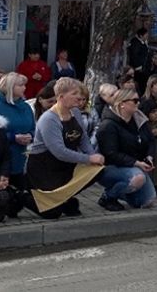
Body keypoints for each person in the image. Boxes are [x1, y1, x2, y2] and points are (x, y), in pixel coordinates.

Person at [26, 78, 105, 218]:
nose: (79, 97)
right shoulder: (49, 119)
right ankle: (21, 197)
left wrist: (93, 156)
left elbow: (83, 139)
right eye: (74, 93)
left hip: (65, 164)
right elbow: (59, 152)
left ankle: (64, 199)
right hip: (44, 168)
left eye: (79, 93)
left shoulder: (75, 112)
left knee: (97, 171)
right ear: (61, 97)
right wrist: (88, 158)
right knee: (52, 214)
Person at [96, 88, 157, 211]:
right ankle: (108, 196)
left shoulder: (139, 120)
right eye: (134, 101)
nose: (138, 103)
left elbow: (151, 141)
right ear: (122, 104)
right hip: (110, 168)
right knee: (137, 179)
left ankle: (123, 192)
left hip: (134, 166)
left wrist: (149, 157)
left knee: (146, 201)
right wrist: (136, 163)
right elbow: (110, 154)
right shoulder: (108, 125)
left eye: (138, 100)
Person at [0, 73, 36, 215]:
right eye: (20, 85)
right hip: (3, 154)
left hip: (21, 153)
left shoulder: (26, 106)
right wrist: (13, 137)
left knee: (20, 186)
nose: (24, 88)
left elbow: (33, 127)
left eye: (24, 84)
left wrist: (30, 135)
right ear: (10, 87)